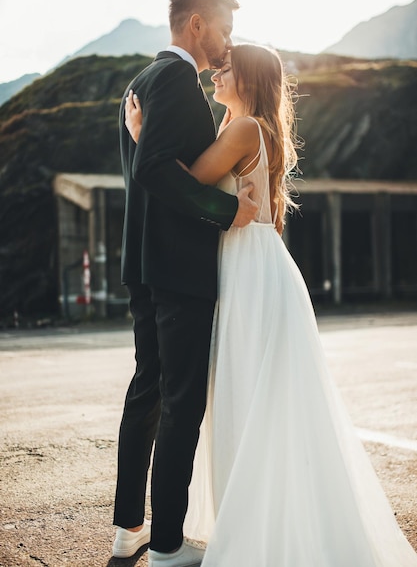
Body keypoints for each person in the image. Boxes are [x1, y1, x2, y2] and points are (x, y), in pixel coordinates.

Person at [125, 42, 417, 566]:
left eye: (227, 70)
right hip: (259, 262)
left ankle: (258, 523)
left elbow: (185, 184)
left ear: (251, 80)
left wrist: (144, 137)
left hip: (247, 267)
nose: (216, 74)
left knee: (247, 392)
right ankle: (265, 514)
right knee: (260, 395)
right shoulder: (252, 128)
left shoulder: (242, 129)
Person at [112, 0, 258, 566]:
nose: (227, 45)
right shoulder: (175, 82)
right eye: (223, 31)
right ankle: (168, 544)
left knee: (148, 390)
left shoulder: (139, 84)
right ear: (197, 25)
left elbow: (148, 166)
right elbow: (154, 171)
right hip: (177, 270)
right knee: (181, 400)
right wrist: (226, 211)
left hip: (145, 265)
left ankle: (128, 529)